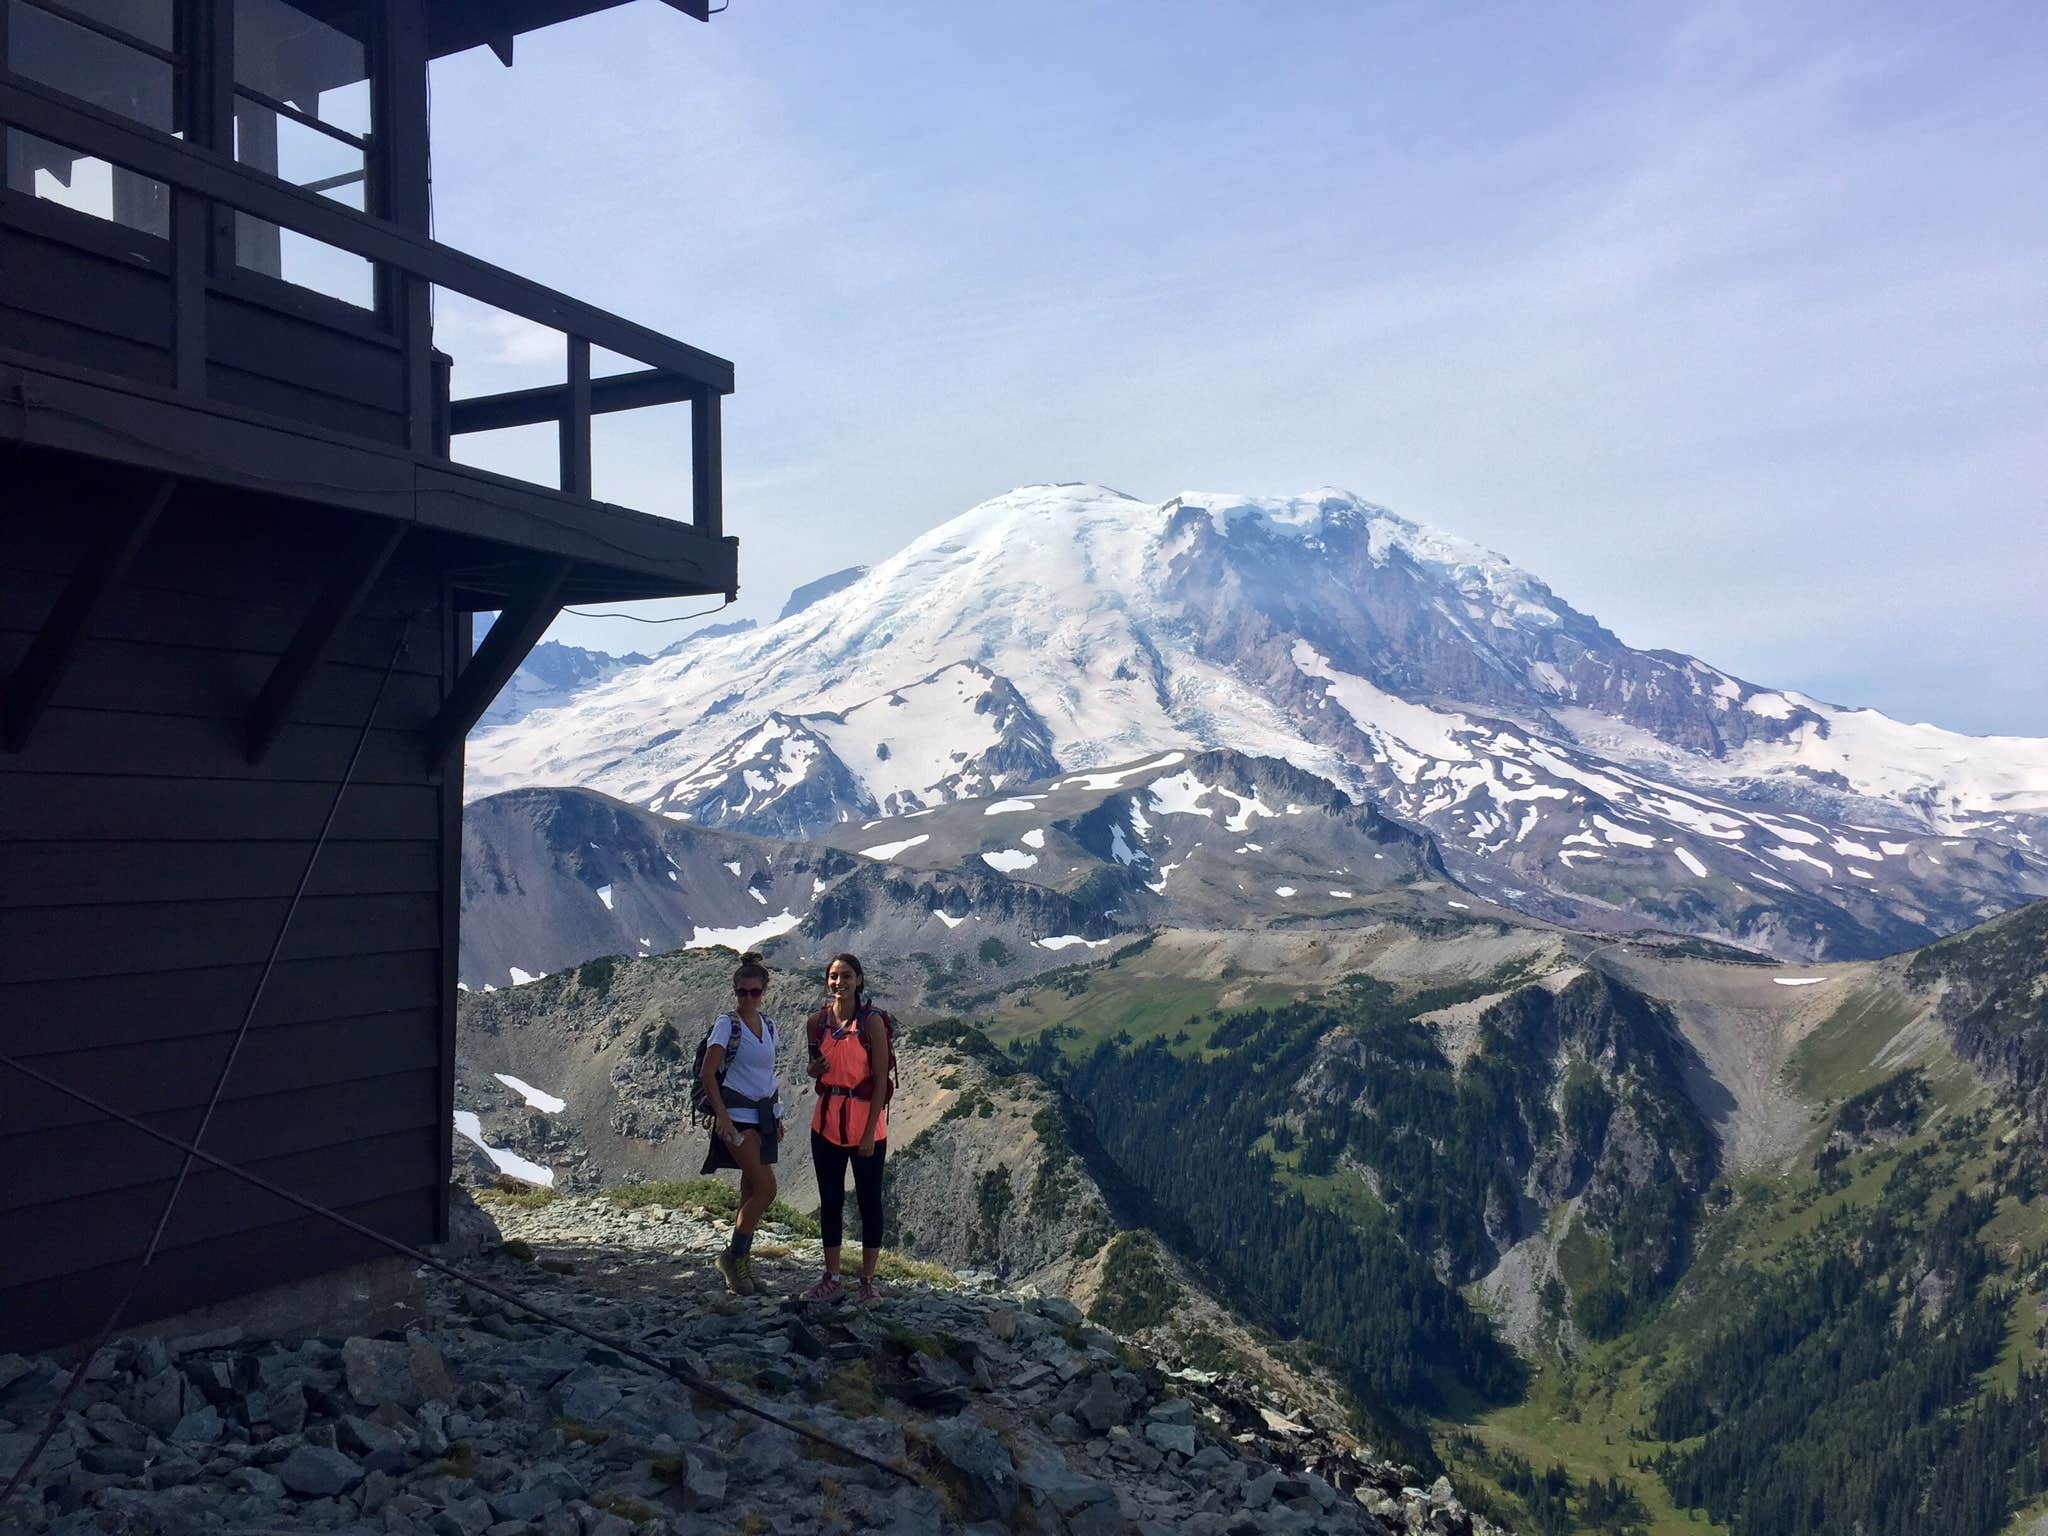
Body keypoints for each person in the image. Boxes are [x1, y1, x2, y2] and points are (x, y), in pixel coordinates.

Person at [803, 952, 891, 1304]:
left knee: (870, 1202)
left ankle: (867, 1279)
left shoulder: (872, 1023)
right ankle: (832, 1274)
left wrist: (870, 1131)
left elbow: (881, 1080)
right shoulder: (816, 1022)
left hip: (865, 1124)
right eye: (834, 976)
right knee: (831, 1201)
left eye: (847, 976)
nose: (840, 982)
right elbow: (814, 1071)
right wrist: (814, 1071)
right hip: (825, 1123)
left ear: (859, 980)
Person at [699, 951, 783, 1295]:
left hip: (763, 1117)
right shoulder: (726, 1024)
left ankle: (741, 1264)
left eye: (754, 992)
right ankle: (733, 1258)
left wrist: (777, 1116)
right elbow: (708, 1071)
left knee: (751, 1191)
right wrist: (721, 1116)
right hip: (737, 1119)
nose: (747, 997)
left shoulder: (770, 1027)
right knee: (767, 1189)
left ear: (764, 991)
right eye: (741, 992)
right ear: (735, 991)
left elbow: (767, 1076)